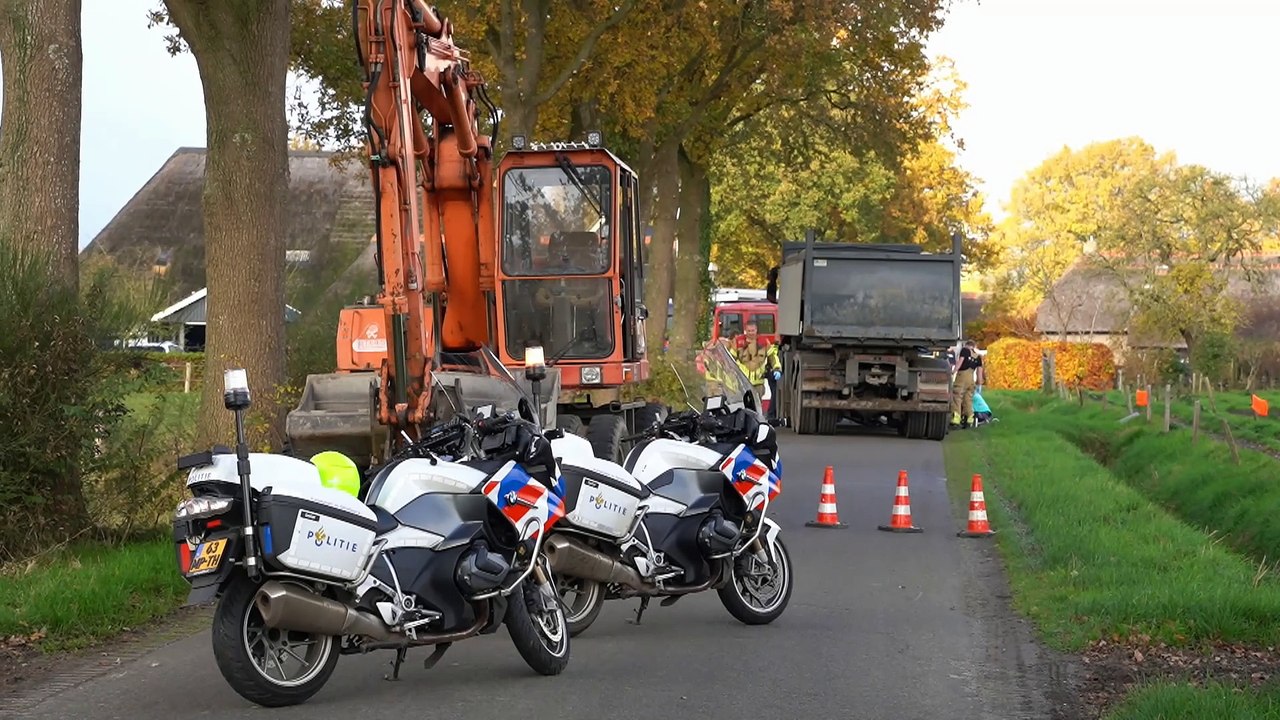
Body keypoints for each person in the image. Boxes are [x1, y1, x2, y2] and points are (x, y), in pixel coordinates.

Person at [730, 323, 780, 406]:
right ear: (745, 331)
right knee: (742, 407)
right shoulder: (738, 341)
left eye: (753, 330)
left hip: (758, 384)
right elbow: (731, 358)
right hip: (743, 383)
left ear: (756, 330)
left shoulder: (763, 341)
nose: (751, 333)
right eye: (749, 331)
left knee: (757, 406)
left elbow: (772, 357)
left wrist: (777, 368)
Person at [950, 339, 984, 429]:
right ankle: (969, 419)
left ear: (967, 345)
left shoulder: (965, 350)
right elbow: (979, 373)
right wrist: (979, 384)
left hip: (962, 378)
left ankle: (956, 419)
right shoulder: (978, 357)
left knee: (957, 396)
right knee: (968, 399)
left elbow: (960, 362)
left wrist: (953, 371)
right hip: (971, 379)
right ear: (974, 346)